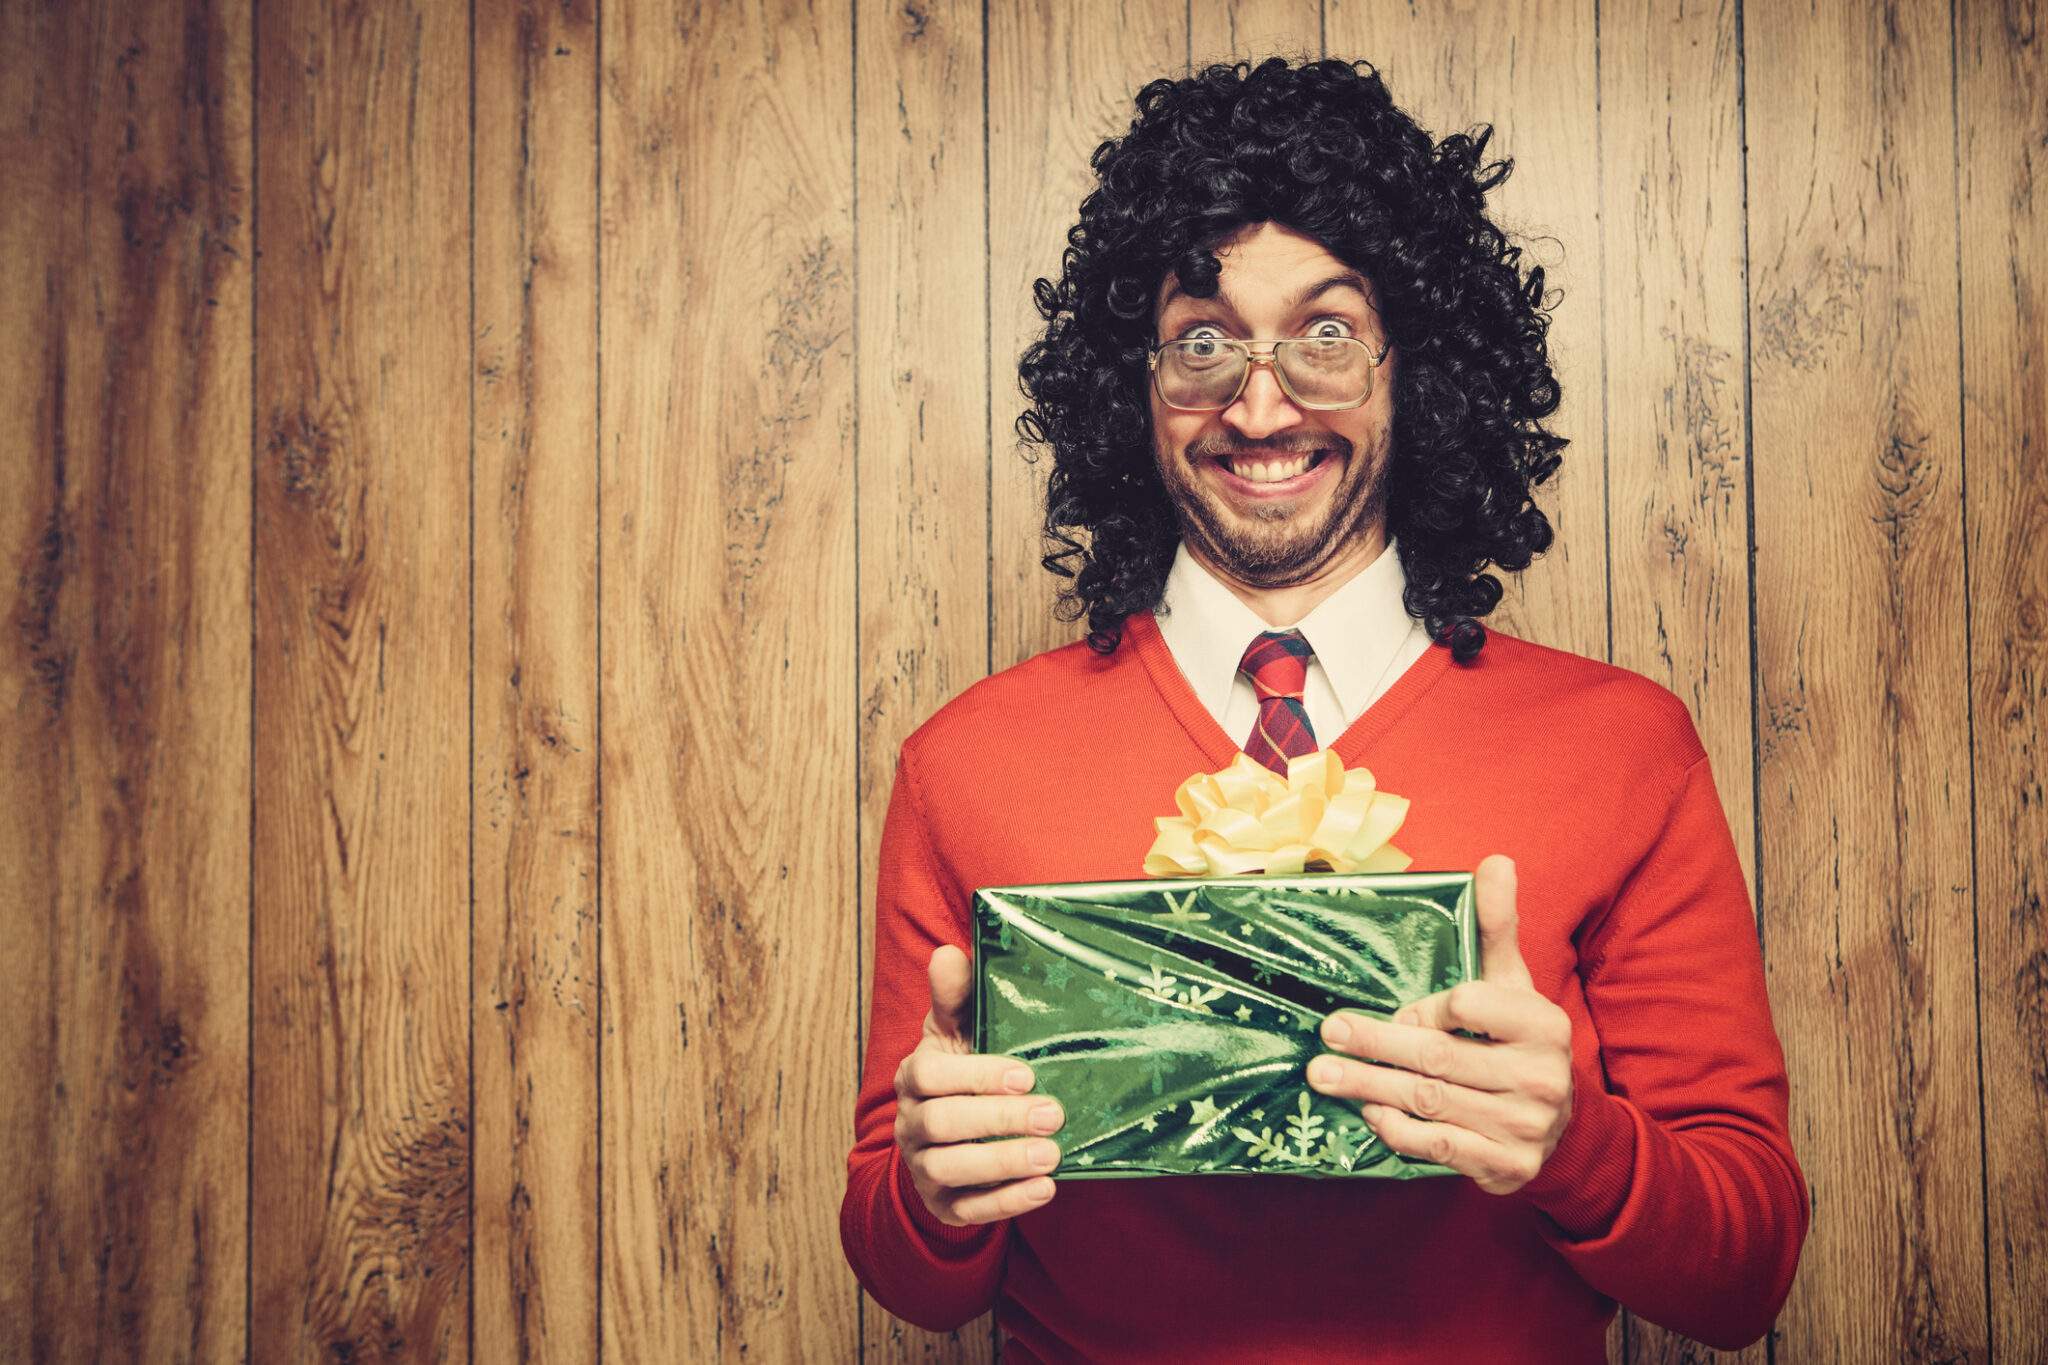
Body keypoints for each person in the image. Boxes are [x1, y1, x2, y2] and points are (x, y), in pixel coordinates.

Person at [840, 58, 1806, 1363]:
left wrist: (1579, 1146)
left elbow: (1746, 1275)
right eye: (1202, 340)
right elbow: (913, 1273)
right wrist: (934, 1188)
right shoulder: (967, 765)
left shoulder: (1624, 747)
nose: (1260, 402)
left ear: (1424, 366)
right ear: (1134, 385)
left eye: (1327, 333)